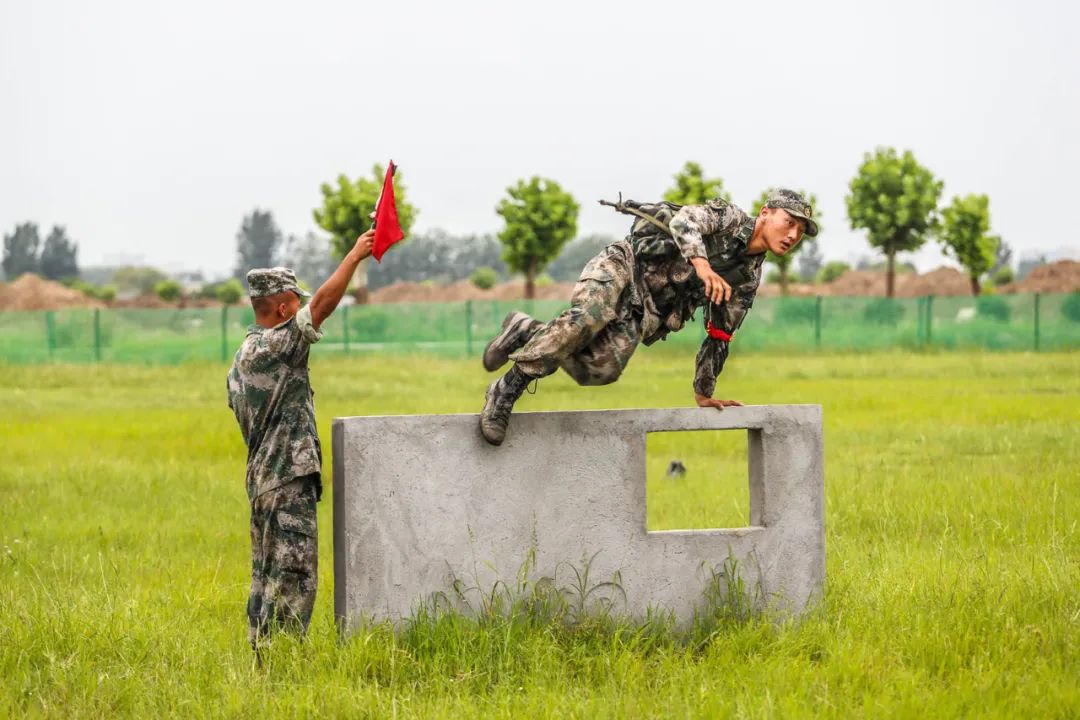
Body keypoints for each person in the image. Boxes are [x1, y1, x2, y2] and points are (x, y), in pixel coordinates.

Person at [478, 188, 817, 446]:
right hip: (624, 265)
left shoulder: (746, 279)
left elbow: (720, 334)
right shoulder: (728, 218)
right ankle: (506, 389)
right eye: (789, 222)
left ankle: (525, 330)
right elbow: (685, 220)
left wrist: (703, 390)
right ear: (765, 213)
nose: (792, 235)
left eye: (800, 231)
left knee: (599, 371)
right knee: (589, 317)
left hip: (645, 310)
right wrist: (702, 264)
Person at [227, 229, 375, 649]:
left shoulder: (242, 359)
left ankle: (264, 654)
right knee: (293, 575)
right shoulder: (275, 346)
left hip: (263, 481)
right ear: (281, 306)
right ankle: (283, 663)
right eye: (295, 304)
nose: (300, 310)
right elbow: (322, 307)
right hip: (286, 480)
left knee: (267, 574)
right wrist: (354, 256)